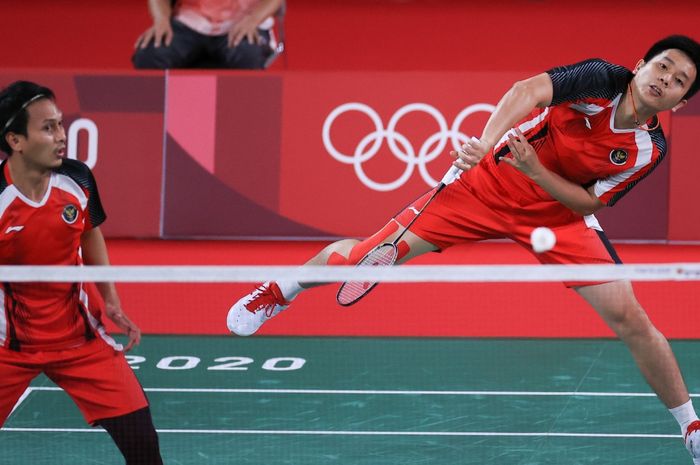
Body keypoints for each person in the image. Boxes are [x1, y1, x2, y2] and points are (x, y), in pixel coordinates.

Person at [227, 35, 700, 462]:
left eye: (679, 81)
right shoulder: (601, 79)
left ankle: (690, 427)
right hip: (483, 188)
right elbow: (526, 91)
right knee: (362, 258)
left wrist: (537, 172)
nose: (666, 80)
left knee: (631, 319)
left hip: (555, 217)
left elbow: (589, 200)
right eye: (663, 66)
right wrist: (485, 145)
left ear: (680, 102)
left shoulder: (647, 149)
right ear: (641, 64)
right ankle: (279, 288)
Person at [0, 81, 163, 464]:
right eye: (48, 128)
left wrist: (111, 300)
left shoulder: (78, 179)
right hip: (7, 346)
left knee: (143, 444)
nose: (62, 137)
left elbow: (90, 235)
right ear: (16, 140)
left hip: (79, 340)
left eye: (61, 125)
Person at [132, 0, 283, 69]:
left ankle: (243, 124)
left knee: (248, 54)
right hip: (189, 22)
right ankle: (155, 126)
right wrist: (161, 20)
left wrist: (252, 20)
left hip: (243, 22)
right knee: (150, 55)